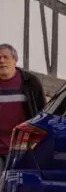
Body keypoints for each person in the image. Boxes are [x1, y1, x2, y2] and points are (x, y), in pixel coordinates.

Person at [0, 44, 45, 172]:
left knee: (19, 185)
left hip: (23, 147)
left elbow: (42, 111)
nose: (1, 61)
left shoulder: (30, 82)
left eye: (5, 57)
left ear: (15, 60)